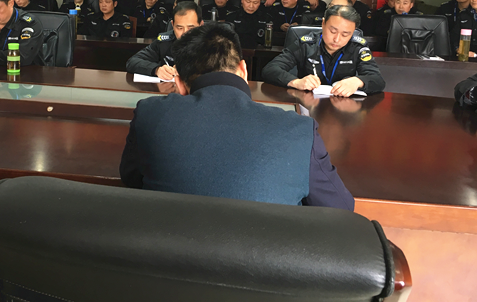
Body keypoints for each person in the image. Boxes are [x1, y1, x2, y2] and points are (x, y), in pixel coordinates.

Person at [119, 23, 354, 210]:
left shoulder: (150, 114)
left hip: (166, 254)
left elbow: (131, 179)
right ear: (243, 70)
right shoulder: (299, 130)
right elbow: (341, 207)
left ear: (178, 83)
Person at [263, 4, 385, 96]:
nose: (337, 39)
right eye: (332, 31)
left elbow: (378, 80)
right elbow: (270, 69)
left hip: (343, 108)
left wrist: (358, 81)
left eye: (345, 34)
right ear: (323, 24)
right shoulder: (306, 44)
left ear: (353, 32)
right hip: (308, 104)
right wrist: (295, 82)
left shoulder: (357, 47)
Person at [126, 1, 202, 80]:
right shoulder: (165, 41)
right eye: (180, 28)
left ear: (201, 25)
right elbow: (132, 62)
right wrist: (156, 69)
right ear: (172, 25)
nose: (185, 33)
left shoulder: (209, 42)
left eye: (191, 28)